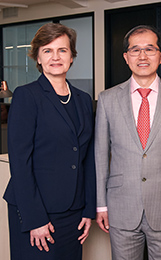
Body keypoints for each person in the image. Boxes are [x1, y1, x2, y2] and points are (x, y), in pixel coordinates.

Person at [95, 25, 161, 260]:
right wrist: (101, 204)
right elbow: (100, 155)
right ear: (126, 57)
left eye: (150, 49)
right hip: (121, 207)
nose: (142, 56)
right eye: (135, 50)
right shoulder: (107, 99)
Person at [3, 23, 96, 260]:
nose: (56, 57)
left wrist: (88, 209)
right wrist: (35, 219)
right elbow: (20, 162)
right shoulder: (27, 96)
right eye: (47, 51)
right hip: (38, 210)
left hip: (74, 211)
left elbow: (87, 158)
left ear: (72, 56)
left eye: (62, 50)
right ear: (37, 57)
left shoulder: (83, 100)